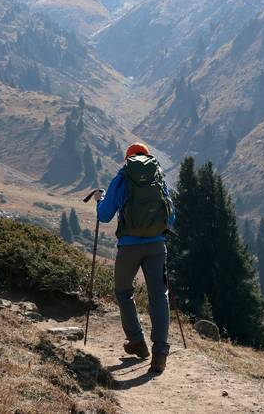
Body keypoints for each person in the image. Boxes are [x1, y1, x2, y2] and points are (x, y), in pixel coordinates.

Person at [95, 142, 176, 374]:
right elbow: (171, 217)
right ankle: (160, 352)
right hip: (157, 245)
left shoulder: (122, 178)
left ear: (127, 159)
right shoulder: (159, 178)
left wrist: (100, 199)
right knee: (159, 296)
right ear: (148, 157)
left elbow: (104, 215)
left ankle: (137, 341)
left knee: (123, 291)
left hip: (129, 246)